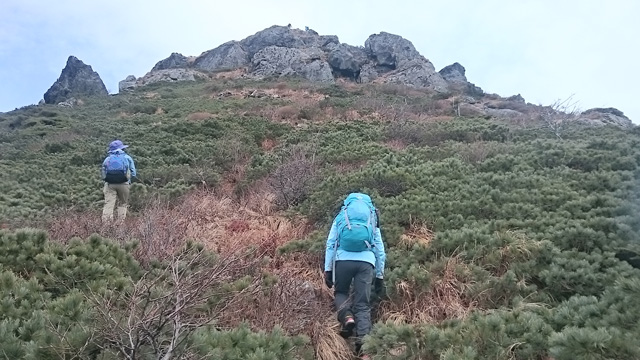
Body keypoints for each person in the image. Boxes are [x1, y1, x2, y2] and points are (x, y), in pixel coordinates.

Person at [324, 192, 386, 359]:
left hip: (343, 261)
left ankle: (347, 317)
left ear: (347, 204)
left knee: (341, 293)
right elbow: (379, 249)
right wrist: (379, 275)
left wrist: (328, 269)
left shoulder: (341, 216)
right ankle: (364, 351)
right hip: (366, 263)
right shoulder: (372, 217)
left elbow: (331, 244)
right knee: (363, 304)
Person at [101, 139, 136, 223]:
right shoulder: (127, 158)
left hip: (110, 184)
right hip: (124, 184)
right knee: (123, 204)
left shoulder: (108, 159)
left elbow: (103, 173)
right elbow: (133, 173)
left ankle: (106, 224)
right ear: (122, 148)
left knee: (108, 204)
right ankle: (120, 224)